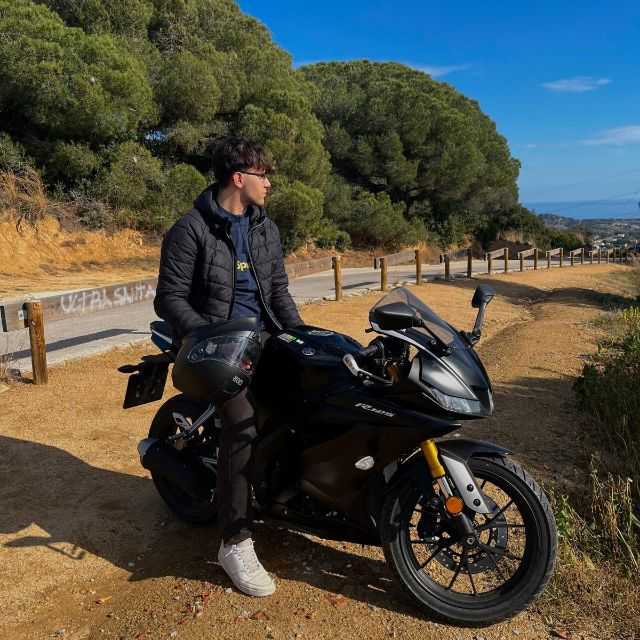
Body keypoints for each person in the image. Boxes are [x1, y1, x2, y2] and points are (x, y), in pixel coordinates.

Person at [154, 136, 302, 597]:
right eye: (263, 175)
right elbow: (169, 298)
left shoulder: (265, 228)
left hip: (261, 340)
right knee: (242, 422)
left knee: (313, 388)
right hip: (211, 347)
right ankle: (234, 542)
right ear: (239, 178)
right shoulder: (190, 229)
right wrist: (210, 338)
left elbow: (278, 292)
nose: (269, 183)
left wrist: (302, 336)